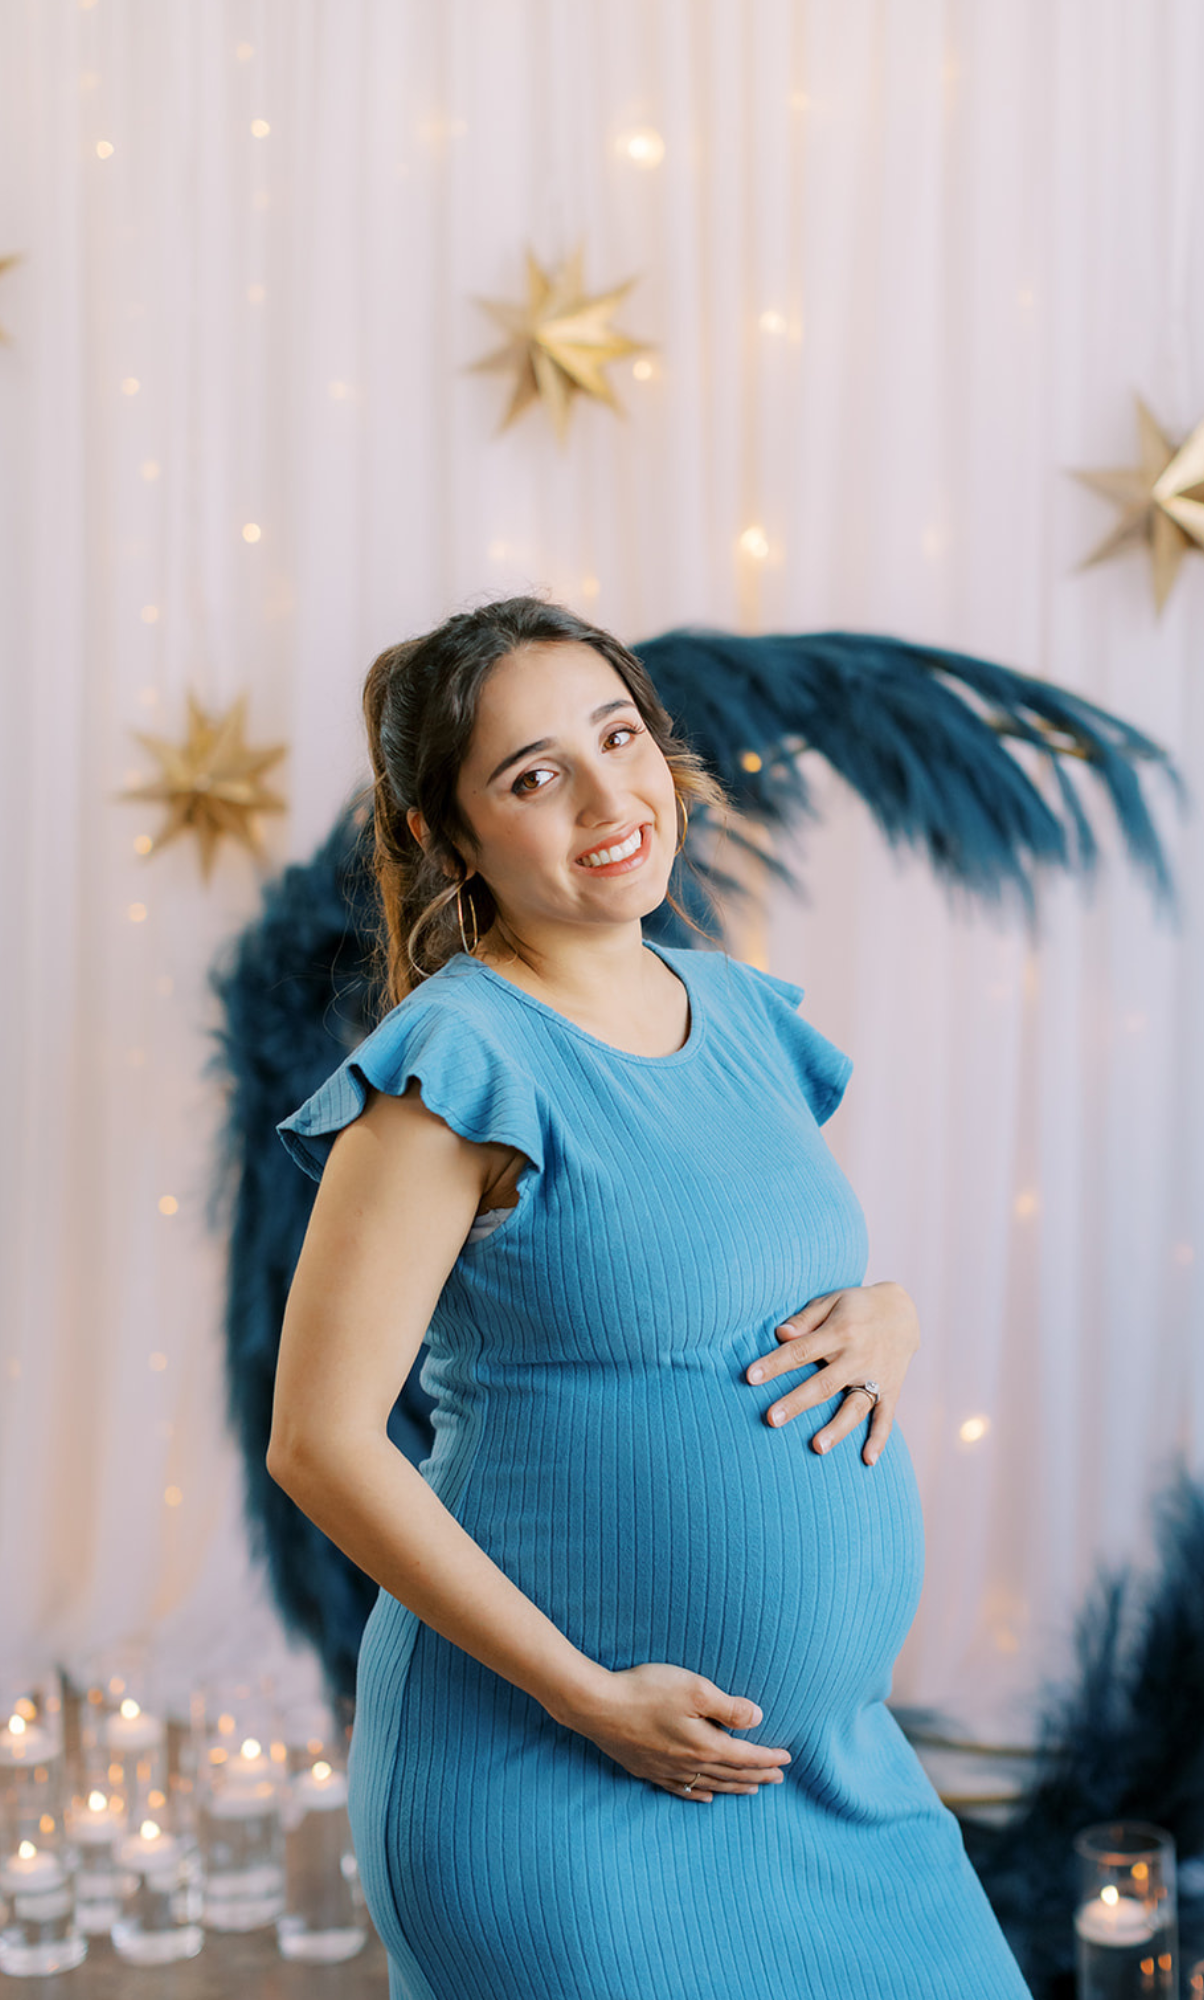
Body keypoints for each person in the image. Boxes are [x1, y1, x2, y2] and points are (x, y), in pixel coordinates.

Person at [269, 596, 1032, 2000]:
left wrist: (890, 1316)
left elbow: (734, 1268)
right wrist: (584, 1695)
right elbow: (318, 1441)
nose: (609, 795)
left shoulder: (742, 1010)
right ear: (448, 837)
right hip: (551, 1782)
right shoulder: (454, 1060)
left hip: (828, 1774)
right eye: (532, 774)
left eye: (618, 735)